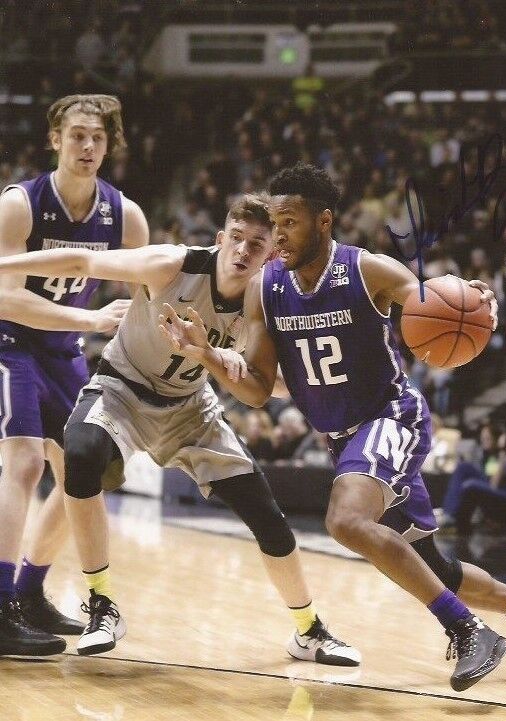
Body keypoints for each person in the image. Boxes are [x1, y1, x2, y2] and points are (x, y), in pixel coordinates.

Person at [161, 163, 506, 688]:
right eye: (275, 222)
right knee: (437, 572)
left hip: (389, 416)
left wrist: (473, 299)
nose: (279, 235)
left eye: (289, 222)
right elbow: (258, 388)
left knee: (344, 522)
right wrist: (208, 357)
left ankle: (469, 631)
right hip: (345, 441)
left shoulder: (368, 271)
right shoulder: (264, 289)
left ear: (324, 222)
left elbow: (433, 300)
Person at [0, 194, 359, 666]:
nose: (243, 251)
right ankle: (102, 603)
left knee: (266, 514)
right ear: (220, 239)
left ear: (272, 253)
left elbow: (270, 385)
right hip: (121, 391)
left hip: (191, 410)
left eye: (257, 244)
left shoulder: (269, 304)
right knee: (81, 456)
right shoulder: (171, 265)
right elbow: (85, 260)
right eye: (236, 238)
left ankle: (308, 629)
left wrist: (250, 371)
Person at [0, 94, 148, 658]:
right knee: (25, 461)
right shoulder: (20, 204)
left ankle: (28, 592)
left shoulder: (124, 215)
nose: (87, 147)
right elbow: (7, 300)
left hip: (64, 352)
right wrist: (89, 318)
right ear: (55, 139)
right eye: (77, 135)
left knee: (85, 471)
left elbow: (155, 293)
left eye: (98, 138)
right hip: (9, 341)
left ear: (110, 146)